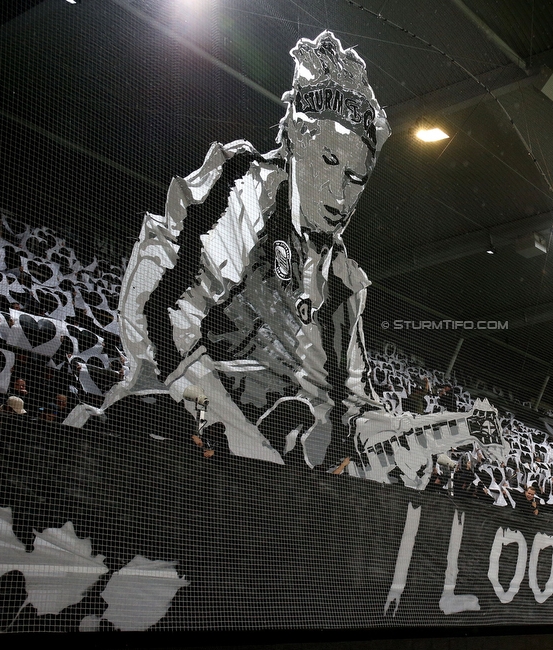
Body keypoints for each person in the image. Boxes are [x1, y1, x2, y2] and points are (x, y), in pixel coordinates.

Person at [70, 30, 392, 470]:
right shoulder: (246, 187)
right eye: (330, 162)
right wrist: (244, 437)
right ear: (296, 139)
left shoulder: (344, 283)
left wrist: (395, 437)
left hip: (268, 475)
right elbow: (160, 310)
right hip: (180, 442)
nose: (340, 195)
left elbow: (352, 396)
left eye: (356, 178)